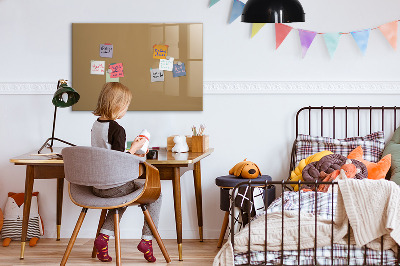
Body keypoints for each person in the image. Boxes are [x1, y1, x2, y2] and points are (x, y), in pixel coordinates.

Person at [91, 82, 161, 263]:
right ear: (118, 105)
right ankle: (147, 240)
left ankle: (103, 238)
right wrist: (136, 148)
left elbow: (108, 154)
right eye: (126, 106)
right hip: (114, 186)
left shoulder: (96, 125)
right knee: (156, 194)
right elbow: (119, 161)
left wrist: (130, 149)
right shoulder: (117, 129)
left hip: (97, 186)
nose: (126, 110)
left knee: (121, 197)